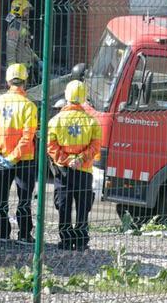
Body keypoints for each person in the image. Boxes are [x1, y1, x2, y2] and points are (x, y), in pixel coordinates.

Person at [0, 63, 38, 241]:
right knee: (24, 201)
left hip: (1, 158)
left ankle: (3, 234)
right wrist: (14, 157)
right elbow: (28, 137)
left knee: (0, 200)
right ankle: (24, 236)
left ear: (7, 81)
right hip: (24, 160)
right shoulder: (29, 106)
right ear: (25, 81)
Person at [46, 80, 102, 250]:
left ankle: (65, 239)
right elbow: (96, 146)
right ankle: (81, 239)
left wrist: (66, 160)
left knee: (64, 205)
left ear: (66, 96)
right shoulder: (92, 122)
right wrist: (80, 159)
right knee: (83, 206)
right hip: (84, 170)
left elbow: (51, 146)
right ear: (84, 97)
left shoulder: (56, 120)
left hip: (63, 171)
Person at [5, 0, 39, 72]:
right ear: (19, 11)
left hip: (26, 67)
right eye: (26, 10)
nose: (28, 13)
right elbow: (11, 48)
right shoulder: (15, 27)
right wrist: (12, 67)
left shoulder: (23, 25)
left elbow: (26, 46)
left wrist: (37, 59)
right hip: (19, 69)